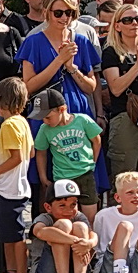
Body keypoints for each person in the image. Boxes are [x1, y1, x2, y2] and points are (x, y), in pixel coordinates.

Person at [18, 0, 100, 121]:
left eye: (69, 12)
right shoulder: (33, 42)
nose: (64, 18)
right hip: (46, 116)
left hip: (78, 115)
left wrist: (72, 68)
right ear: (46, 12)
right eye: (58, 13)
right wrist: (59, 60)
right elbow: (29, 86)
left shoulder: (81, 41)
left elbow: (91, 87)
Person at [0, 77, 33, 273]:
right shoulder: (23, 122)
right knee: (7, 233)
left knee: (14, 236)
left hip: (9, 188)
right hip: (19, 186)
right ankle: (11, 272)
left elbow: (17, 157)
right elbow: (30, 152)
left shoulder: (8, 125)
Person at [100, 3, 138, 184]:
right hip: (124, 117)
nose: (134, 23)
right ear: (117, 25)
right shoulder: (111, 52)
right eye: (128, 20)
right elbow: (115, 88)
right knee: (125, 181)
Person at [32, 88, 102, 221]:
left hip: (85, 174)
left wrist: (93, 160)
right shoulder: (45, 129)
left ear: (62, 109)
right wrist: (43, 177)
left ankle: (89, 239)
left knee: (90, 215)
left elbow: (96, 139)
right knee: (64, 215)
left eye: (48, 117)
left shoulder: (82, 120)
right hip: (62, 177)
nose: (45, 121)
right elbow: (41, 152)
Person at [30, 181, 97, 273]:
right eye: (62, 205)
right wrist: (74, 240)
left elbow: (93, 235)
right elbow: (40, 231)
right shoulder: (44, 218)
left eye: (73, 204)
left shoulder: (79, 217)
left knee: (81, 226)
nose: (69, 210)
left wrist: (88, 244)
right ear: (48, 207)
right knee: (63, 225)